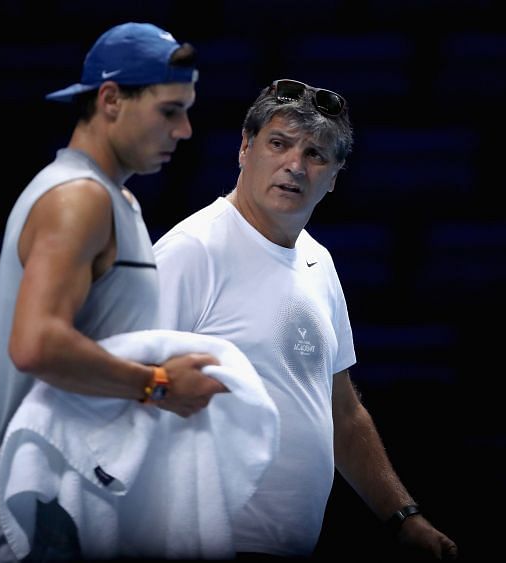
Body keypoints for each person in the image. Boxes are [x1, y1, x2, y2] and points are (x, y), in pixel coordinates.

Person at [153, 78, 459, 560]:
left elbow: (344, 414)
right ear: (245, 148)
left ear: (334, 177)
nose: (295, 165)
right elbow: (122, 386)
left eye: (316, 155)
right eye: (279, 144)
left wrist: (404, 518)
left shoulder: (320, 263)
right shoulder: (191, 251)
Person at [0, 22, 228, 562]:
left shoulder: (116, 200)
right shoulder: (78, 198)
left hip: (80, 499)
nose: (186, 131)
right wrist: (157, 384)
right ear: (110, 100)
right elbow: (36, 344)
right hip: (41, 508)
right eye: (170, 110)